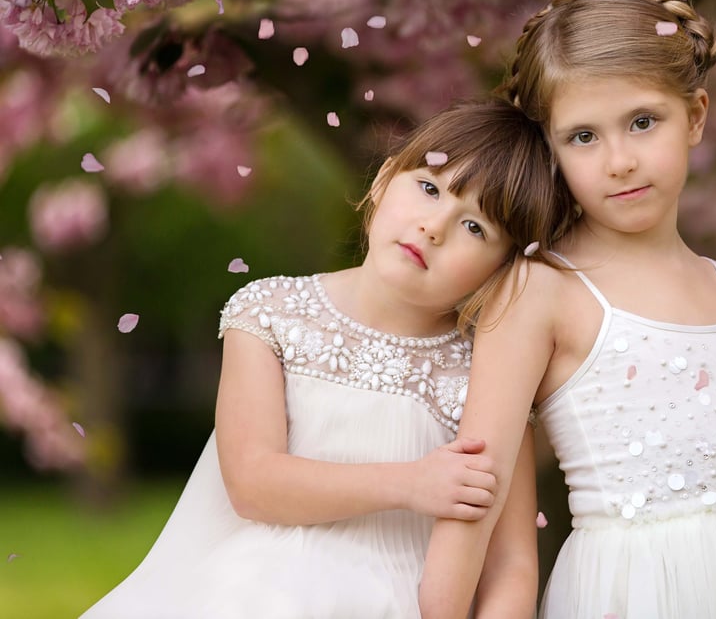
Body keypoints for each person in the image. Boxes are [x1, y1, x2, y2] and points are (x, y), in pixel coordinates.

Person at [420, 0, 716, 619]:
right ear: (552, 149)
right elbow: (475, 493)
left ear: (697, 116)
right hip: (633, 594)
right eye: (583, 137)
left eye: (643, 122)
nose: (620, 160)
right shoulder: (541, 290)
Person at [80, 97, 574, 619]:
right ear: (384, 180)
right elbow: (253, 482)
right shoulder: (272, 313)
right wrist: (412, 483)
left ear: (501, 268)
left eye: (476, 227)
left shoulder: (491, 373)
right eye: (429, 188)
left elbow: (511, 566)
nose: (435, 226)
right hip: (262, 588)